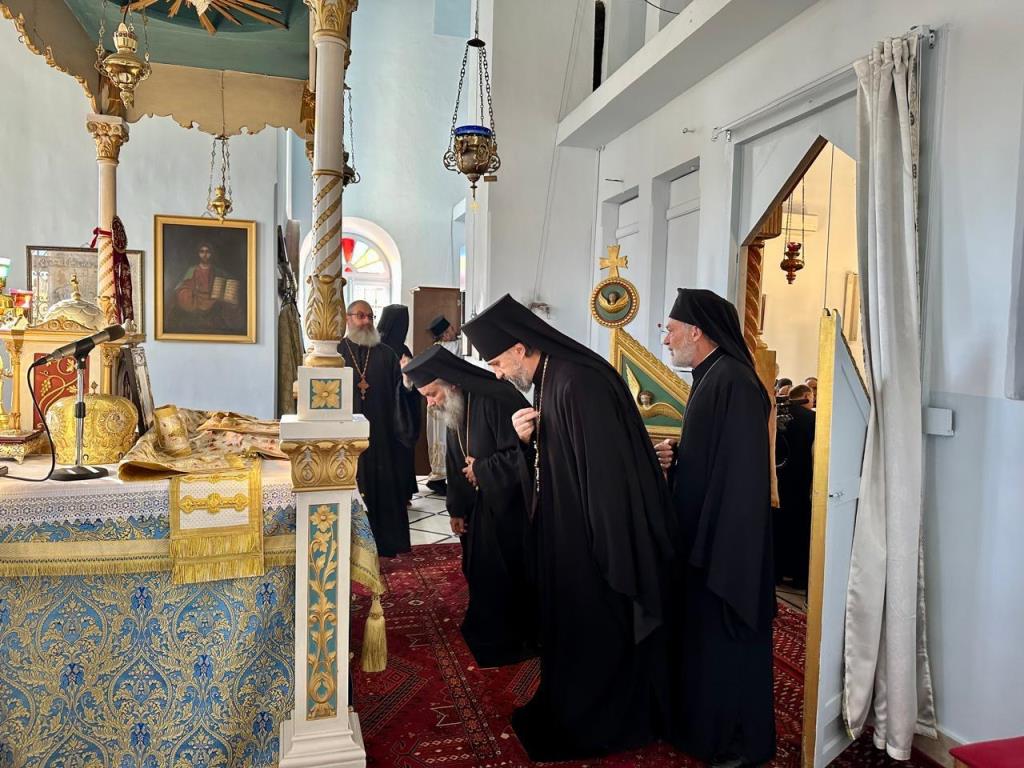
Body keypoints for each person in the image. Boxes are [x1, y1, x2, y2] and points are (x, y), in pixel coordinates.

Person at [463, 294, 676, 762]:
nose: (496, 373)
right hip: (569, 536)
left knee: (595, 631)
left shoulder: (577, 381)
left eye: (497, 362)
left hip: (594, 545)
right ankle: (571, 710)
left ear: (520, 348)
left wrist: (606, 553)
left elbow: (606, 479)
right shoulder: (551, 379)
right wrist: (528, 442)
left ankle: (601, 721)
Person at [655, 288, 776, 767]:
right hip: (705, 541)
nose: (666, 339)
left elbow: (742, 478)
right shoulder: (711, 377)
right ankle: (704, 730)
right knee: (703, 647)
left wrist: (720, 554)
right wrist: (678, 457)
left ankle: (738, 744)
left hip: (727, 549)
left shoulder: (735, 382)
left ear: (696, 330)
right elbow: (712, 459)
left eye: (670, 329)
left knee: (728, 648)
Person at [402, 345, 537, 668]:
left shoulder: (497, 398)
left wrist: (483, 470)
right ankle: (486, 628)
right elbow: (456, 460)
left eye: (432, 394)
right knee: (479, 569)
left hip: (511, 507)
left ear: (450, 382)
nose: (430, 403)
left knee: (505, 572)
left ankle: (514, 641)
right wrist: (457, 508)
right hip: (479, 505)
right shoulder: (456, 405)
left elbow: (528, 454)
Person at [338, 300, 419, 557]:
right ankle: (349, 549)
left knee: (383, 491)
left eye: (370, 317)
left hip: (381, 438)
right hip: (345, 441)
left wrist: (407, 384)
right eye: (360, 316)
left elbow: (401, 395)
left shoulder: (387, 354)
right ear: (348, 318)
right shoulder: (335, 354)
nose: (366, 321)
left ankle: (385, 545)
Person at [774, 384, 816, 590]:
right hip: (801, 480)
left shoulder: (775, 415)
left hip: (777, 480)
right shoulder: (812, 419)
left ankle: (776, 573)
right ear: (807, 396)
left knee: (778, 526)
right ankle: (799, 576)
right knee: (800, 529)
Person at [377, 304, 420, 506]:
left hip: (397, 412)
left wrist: (407, 381)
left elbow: (410, 383)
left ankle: (402, 493)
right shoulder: (378, 349)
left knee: (400, 453)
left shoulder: (401, 350)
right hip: (385, 412)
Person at [424, 315, 460, 494]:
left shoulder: (433, 349)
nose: (454, 332)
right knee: (444, 437)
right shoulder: (449, 347)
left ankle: (439, 476)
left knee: (438, 437)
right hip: (444, 400)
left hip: (436, 401)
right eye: (451, 329)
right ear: (445, 334)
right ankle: (439, 478)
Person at [172, 242, 241, 333]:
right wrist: (188, 294)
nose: (205, 255)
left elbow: (227, 285)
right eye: (202, 251)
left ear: (211, 254)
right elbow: (183, 287)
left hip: (215, 299)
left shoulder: (217, 271)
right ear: (198, 254)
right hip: (197, 300)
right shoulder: (192, 270)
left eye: (207, 252)